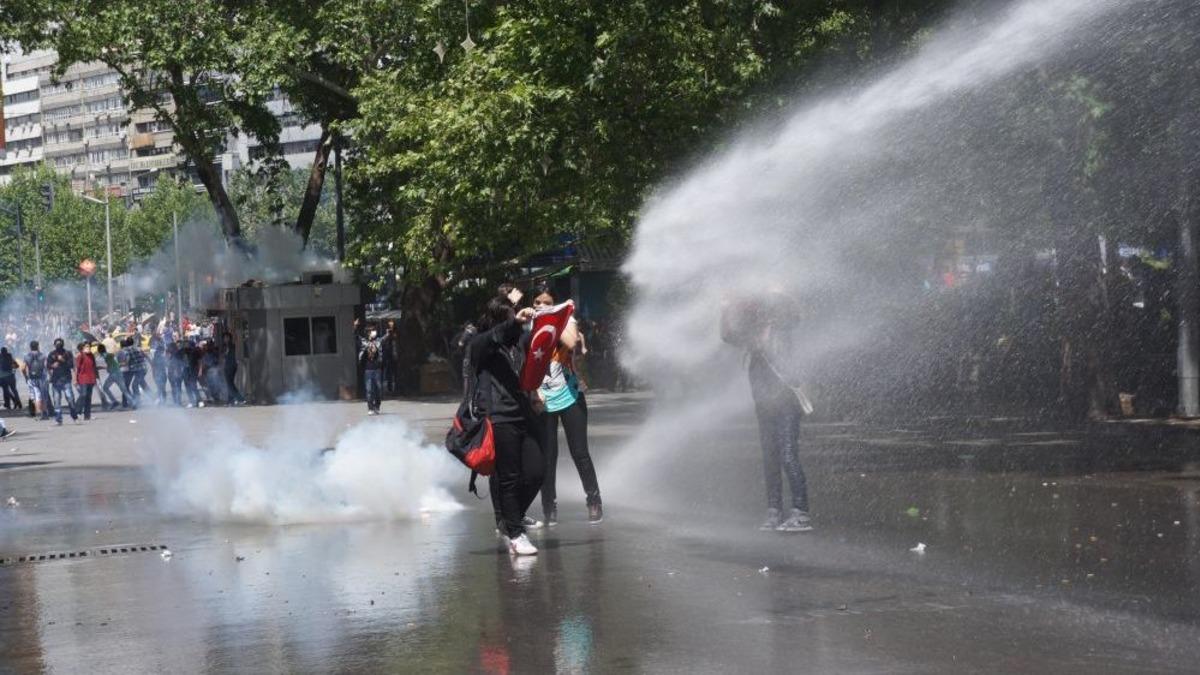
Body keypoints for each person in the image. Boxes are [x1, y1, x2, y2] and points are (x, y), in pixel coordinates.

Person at [721, 292, 813, 533]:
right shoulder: (754, 336)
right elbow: (728, 336)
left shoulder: (781, 330)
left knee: (788, 454)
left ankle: (801, 513)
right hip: (764, 404)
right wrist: (725, 307)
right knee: (770, 457)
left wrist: (780, 293)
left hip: (786, 403)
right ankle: (774, 511)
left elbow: (796, 315)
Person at [467, 296, 543, 556]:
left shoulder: (516, 344)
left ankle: (511, 520)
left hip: (523, 414)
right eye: (510, 316)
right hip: (499, 418)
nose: (516, 322)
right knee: (509, 478)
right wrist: (515, 322)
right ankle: (515, 534)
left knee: (536, 471)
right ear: (499, 319)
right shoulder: (481, 344)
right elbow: (491, 339)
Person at [531, 287, 603, 525]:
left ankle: (594, 502)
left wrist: (553, 321)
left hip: (570, 395)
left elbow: (571, 343)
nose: (542, 305)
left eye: (547, 302)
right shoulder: (527, 325)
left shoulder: (566, 320)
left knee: (580, 453)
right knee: (547, 458)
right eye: (538, 302)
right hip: (542, 399)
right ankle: (548, 508)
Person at [47, 338, 78, 425]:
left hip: (66, 379)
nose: (58, 346)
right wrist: (53, 366)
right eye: (56, 344)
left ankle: (75, 417)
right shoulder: (52, 354)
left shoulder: (67, 353)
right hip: (56, 381)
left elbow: (71, 365)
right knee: (56, 401)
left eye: (59, 344)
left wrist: (63, 360)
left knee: (70, 399)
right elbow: (48, 366)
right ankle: (58, 419)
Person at [21, 340, 49, 421]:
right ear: (38, 346)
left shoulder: (27, 356)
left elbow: (23, 368)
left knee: (36, 396)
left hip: (32, 378)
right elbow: (46, 366)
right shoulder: (43, 355)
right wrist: (49, 376)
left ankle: (38, 413)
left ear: (30, 347)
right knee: (44, 396)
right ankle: (44, 413)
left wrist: (26, 376)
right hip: (42, 378)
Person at [97, 344, 129, 410]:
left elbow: (110, 365)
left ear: (99, 350)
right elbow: (113, 363)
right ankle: (133, 402)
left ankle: (114, 401)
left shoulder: (105, 356)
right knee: (124, 390)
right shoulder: (110, 355)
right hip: (118, 372)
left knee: (105, 387)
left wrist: (100, 367)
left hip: (114, 374)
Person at [75, 342, 98, 421]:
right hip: (83, 378)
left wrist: (95, 378)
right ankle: (77, 411)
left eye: (89, 346)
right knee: (83, 395)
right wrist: (75, 379)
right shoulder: (80, 356)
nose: (88, 348)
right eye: (86, 346)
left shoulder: (91, 355)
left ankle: (87, 415)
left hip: (91, 379)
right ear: (83, 347)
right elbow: (76, 369)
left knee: (88, 398)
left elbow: (94, 367)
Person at [360, 340, 384, 415]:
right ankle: (370, 407)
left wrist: (376, 348)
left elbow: (380, 355)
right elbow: (361, 357)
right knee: (369, 390)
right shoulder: (364, 343)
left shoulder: (378, 343)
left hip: (377, 370)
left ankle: (377, 406)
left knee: (378, 389)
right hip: (368, 370)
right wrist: (366, 349)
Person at [221, 332, 244, 405]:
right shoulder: (225, 346)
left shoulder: (232, 346)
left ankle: (240, 398)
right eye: (224, 338)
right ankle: (230, 400)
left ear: (229, 338)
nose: (225, 339)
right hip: (227, 366)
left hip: (232, 366)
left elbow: (233, 356)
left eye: (227, 337)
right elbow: (223, 357)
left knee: (230, 384)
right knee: (229, 384)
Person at [150, 335, 168, 405]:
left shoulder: (154, 359)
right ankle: (163, 400)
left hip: (157, 375)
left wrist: (154, 375)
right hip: (162, 375)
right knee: (162, 388)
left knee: (159, 388)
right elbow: (167, 365)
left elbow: (153, 367)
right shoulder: (162, 358)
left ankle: (160, 400)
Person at [166, 341, 185, 406]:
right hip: (174, 372)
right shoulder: (175, 353)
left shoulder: (176, 354)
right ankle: (177, 401)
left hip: (175, 372)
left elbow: (175, 363)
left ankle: (177, 401)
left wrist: (176, 371)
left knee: (175, 387)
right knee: (177, 387)